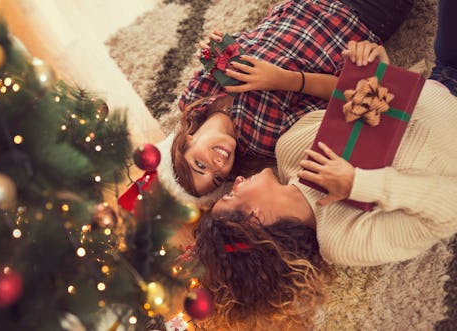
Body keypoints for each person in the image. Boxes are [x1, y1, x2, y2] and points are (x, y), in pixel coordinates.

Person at [192, 7, 457, 326]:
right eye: (232, 195)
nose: (235, 183)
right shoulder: (342, 239)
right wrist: (359, 184)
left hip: (444, 75)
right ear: (255, 219)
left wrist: (375, 72)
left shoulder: (290, 149)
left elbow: (375, 110)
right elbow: (450, 209)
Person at [155, 0, 414, 207]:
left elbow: (256, 38)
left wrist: (222, 44)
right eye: (218, 178)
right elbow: (345, 91)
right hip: (358, 18)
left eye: (200, 166)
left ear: (185, 141)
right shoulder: (263, 138)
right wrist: (283, 79)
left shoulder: (194, 96)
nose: (218, 166)